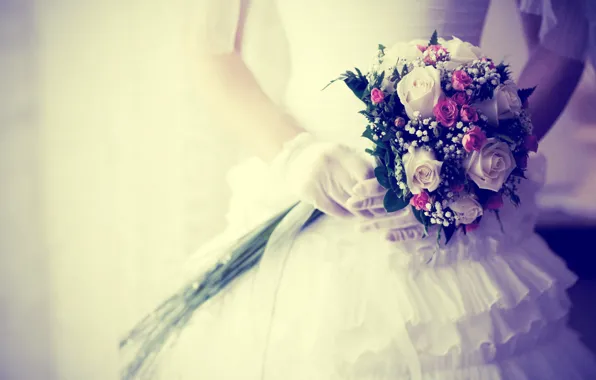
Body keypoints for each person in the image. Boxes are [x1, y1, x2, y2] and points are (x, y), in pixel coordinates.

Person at [126, 0, 596, 378]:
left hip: (457, 212)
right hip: (308, 192)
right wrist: (295, 155)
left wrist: (468, 166)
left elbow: (565, 37)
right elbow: (210, 48)